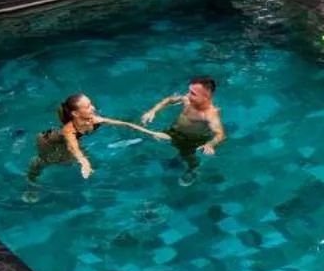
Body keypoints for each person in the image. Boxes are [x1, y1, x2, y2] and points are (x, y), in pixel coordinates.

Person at [25, 93, 166, 188]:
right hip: (47, 140)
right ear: (75, 113)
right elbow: (74, 147)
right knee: (49, 160)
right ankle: (30, 176)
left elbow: (125, 124)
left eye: (90, 103)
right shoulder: (69, 130)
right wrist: (84, 162)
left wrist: (152, 133)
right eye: (87, 107)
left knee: (68, 160)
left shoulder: (95, 120)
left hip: (68, 140)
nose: (93, 108)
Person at [142, 76, 225, 172]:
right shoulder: (187, 100)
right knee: (156, 139)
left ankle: (193, 170)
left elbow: (220, 134)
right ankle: (177, 159)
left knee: (188, 157)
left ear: (206, 96)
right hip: (174, 131)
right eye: (189, 91)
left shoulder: (210, 114)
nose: (187, 95)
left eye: (193, 93)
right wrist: (152, 111)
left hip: (191, 140)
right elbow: (169, 100)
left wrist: (210, 144)